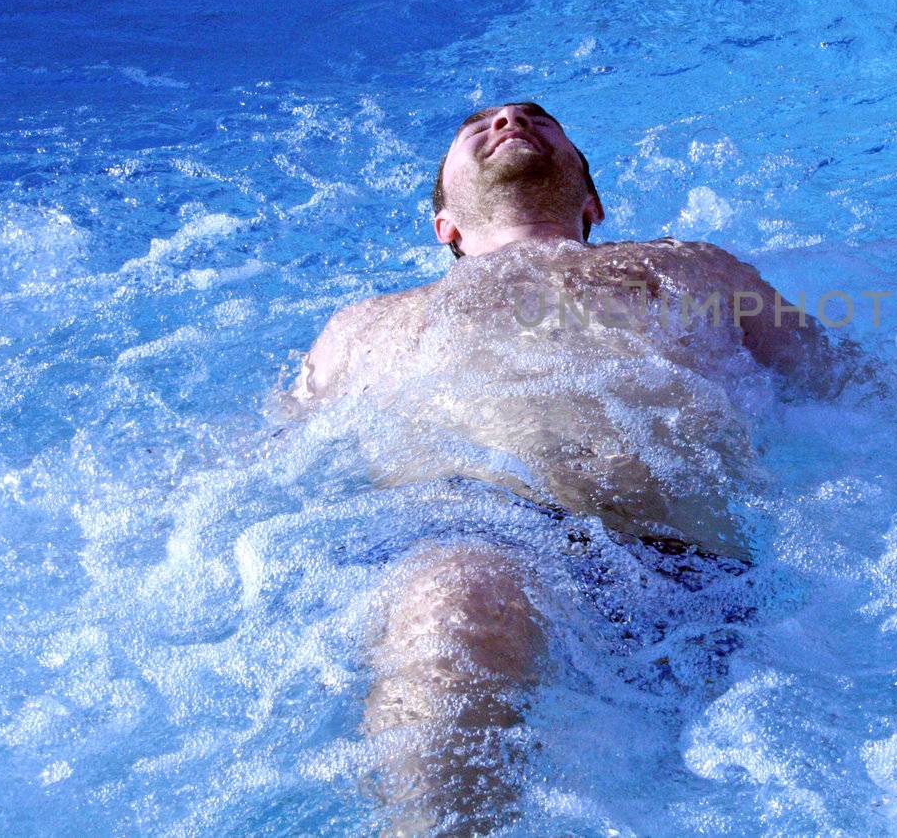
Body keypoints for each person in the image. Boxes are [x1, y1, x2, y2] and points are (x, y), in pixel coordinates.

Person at [291, 102, 848, 833]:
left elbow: (844, 388)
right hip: (462, 542)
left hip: (671, 574)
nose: (512, 119)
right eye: (477, 126)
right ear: (444, 226)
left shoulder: (686, 266)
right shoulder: (361, 326)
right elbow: (266, 454)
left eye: (539, 119)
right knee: (458, 597)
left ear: (591, 203)